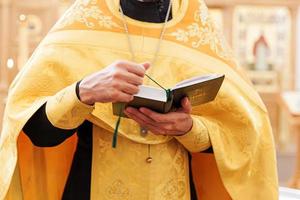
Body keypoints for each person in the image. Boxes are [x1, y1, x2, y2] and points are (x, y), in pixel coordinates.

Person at [0, 0, 278, 199]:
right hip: (88, 187)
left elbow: (242, 134)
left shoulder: (197, 28)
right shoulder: (83, 21)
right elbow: (33, 131)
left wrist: (189, 129)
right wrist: (83, 92)